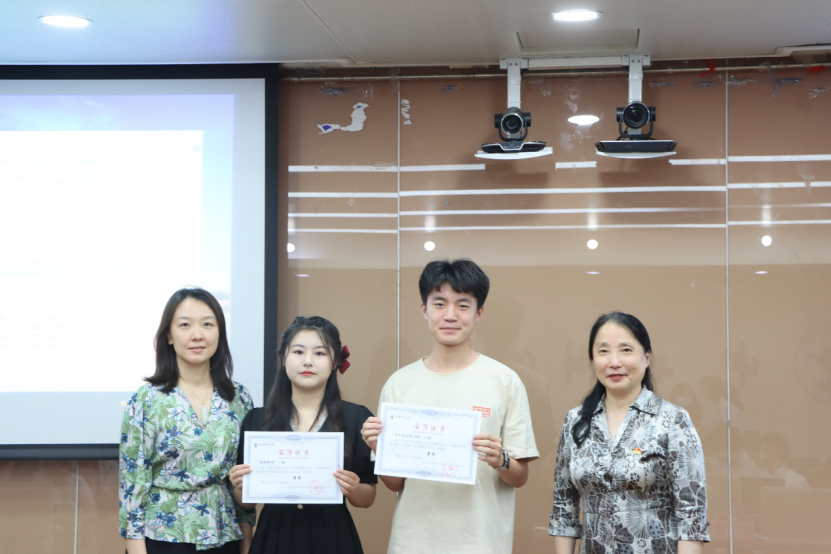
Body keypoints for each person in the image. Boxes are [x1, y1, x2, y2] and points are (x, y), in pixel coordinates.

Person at [361, 259, 539, 554]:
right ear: (424, 309)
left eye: (463, 305)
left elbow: (520, 477)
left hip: (481, 543)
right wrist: (379, 447)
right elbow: (394, 484)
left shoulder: (505, 381)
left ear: (479, 313)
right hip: (412, 543)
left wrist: (501, 459)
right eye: (440, 303)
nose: (450, 315)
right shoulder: (399, 384)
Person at [549, 312, 710, 554]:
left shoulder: (672, 420)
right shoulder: (576, 421)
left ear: (646, 358)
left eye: (626, 350)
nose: (614, 362)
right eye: (603, 351)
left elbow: (692, 516)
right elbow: (564, 509)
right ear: (592, 359)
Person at [119, 287, 255, 554]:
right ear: (169, 336)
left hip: (224, 535)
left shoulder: (238, 397)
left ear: (219, 332)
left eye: (207, 324)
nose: (197, 335)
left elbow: (242, 481)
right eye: (185, 325)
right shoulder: (146, 399)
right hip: (163, 537)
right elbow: (132, 484)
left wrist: (247, 543)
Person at [228, 316, 377, 554]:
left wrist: (354, 487)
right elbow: (245, 502)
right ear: (283, 357)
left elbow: (367, 499)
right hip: (274, 537)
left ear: (335, 361)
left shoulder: (356, 418)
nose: (308, 361)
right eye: (298, 352)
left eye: (320, 353)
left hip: (333, 537)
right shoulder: (258, 419)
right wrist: (239, 485)